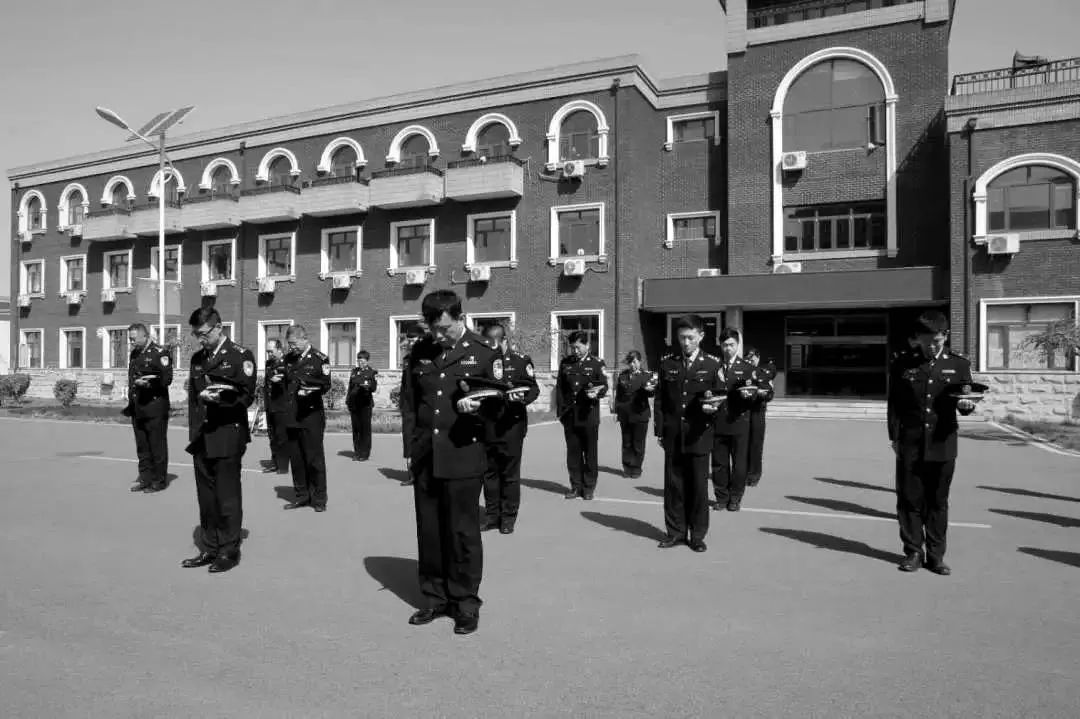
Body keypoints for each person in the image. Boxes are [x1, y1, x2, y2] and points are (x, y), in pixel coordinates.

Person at [401, 289, 502, 635]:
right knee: (429, 531)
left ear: (460, 318)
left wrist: (482, 408)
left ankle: (465, 603)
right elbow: (410, 405)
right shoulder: (420, 351)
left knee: (462, 532)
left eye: (445, 327)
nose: (439, 335)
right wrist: (411, 451)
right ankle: (434, 597)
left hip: (463, 454)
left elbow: (502, 405)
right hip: (427, 455)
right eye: (434, 329)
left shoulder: (484, 352)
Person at [888, 311, 978, 576]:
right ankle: (914, 552)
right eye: (927, 341)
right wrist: (894, 437)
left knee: (938, 501)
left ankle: (936, 556)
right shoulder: (902, 363)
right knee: (909, 500)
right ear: (917, 338)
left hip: (943, 443)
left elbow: (967, 401)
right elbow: (894, 404)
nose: (931, 346)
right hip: (910, 443)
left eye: (937, 341)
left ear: (945, 336)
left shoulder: (959, 365)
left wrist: (967, 406)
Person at [182, 307, 256, 574]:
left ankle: (228, 550)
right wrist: (193, 433)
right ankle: (209, 547)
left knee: (226, 496)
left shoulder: (240, 356)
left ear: (218, 328)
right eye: (195, 334)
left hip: (227, 433)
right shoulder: (197, 359)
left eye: (202, 334)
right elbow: (193, 401)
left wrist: (222, 400)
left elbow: (247, 396)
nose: (199, 339)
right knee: (206, 498)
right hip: (203, 435)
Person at [654, 315, 724, 552]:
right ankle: (675, 532)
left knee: (698, 489)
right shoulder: (668, 363)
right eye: (682, 337)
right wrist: (660, 431)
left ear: (701, 336)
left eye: (690, 337)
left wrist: (712, 409)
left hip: (699, 436)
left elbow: (722, 400)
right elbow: (661, 400)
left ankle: (697, 535)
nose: (685, 342)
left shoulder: (713, 365)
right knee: (674, 488)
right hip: (673, 436)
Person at [480, 322, 539, 535]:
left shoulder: (520, 361)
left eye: (495, 344)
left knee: (510, 474)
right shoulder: (482, 362)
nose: (491, 349)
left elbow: (533, 389)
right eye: (487, 344)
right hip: (488, 424)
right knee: (489, 473)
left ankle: (508, 518)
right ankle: (492, 516)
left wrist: (522, 399)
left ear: (505, 341)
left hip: (511, 426)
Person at [710, 328, 763, 512]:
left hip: (740, 423)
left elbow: (757, 395)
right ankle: (721, 497)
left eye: (731, 344)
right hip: (718, 423)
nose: (728, 348)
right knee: (718, 464)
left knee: (739, 464)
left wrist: (751, 396)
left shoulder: (747, 369)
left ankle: (735, 498)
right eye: (724, 345)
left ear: (737, 345)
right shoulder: (713, 367)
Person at [282, 325, 331, 512]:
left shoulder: (320, 359)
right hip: (293, 415)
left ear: (304, 339)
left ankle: (319, 499)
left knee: (314, 459)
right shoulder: (288, 359)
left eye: (294, 343)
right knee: (297, 459)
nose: (291, 347)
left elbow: (326, 386)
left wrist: (311, 389)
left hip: (311, 416)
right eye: (289, 344)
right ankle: (302, 495)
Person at [555, 331, 608, 500]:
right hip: (570, 415)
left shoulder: (597, 363)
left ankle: (589, 487)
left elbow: (604, 386)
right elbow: (561, 389)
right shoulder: (566, 363)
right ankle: (575, 486)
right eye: (572, 348)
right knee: (573, 453)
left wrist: (597, 394)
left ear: (587, 346)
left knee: (590, 453)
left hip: (588, 415)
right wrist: (561, 413)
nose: (575, 351)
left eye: (578, 347)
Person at [123, 322, 174, 493]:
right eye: (130, 339)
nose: (131, 342)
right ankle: (145, 478)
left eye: (134, 339)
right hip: (138, 407)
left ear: (145, 336)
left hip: (155, 406)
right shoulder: (135, 354)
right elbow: (131, 379)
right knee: (142, 446)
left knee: (156, 445)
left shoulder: (160, 353)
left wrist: (147, 384)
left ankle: (159, 481)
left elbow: (167, 379)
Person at [613, 350, 655, 478]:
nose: (633, 365)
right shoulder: (622, 375)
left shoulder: (647, 375)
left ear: (640, 361)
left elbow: (651, 392)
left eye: (635, 362)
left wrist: (649, 390)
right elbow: (618, 395)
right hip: (625, 414)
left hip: (640, 414)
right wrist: (616, 411)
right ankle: (627, 467)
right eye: (630, 362)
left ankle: (636, 468)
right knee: (626, 442)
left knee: (638, 443)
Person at [743, 347, 776, 488]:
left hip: (757, 412)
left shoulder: (764, 373)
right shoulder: (742, 373)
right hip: (743, 413)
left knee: (756, 445)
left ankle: (754, 475)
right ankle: (742, 473)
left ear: (758, 357)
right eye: (748, 358)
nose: (751, 361)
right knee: (742, 445)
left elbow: (769, 393)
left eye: (753, 358)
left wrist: (764, 394)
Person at [398, 325, 425, 487]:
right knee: (409, 440)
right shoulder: (407, 359)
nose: (410, 343)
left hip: (423, 406)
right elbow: (404, 383)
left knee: (423, 441)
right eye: (408, 340)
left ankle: (425, 475)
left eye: (413, 339)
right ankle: (412, 474)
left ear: (421, 339)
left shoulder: (428, 358)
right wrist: (402, 403)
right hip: (409, 407)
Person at [262, 339, 290, 474]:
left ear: (279, 350)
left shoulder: (287, 363)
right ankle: (275, 462)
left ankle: (283, 465)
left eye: (271, 351)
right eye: (267, 351)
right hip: (270, 405)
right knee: (272, 436)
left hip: (281, 406)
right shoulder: (268, 363)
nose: (269, 354)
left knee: (282, 437)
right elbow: (266, 384)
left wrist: (278, 382)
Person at [346, 349, 378, 461]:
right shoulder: (354, 371)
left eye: (363, 360)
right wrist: (348, 401)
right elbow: (350, 387)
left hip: (365, 405)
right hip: (354, 404)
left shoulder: (371, 372)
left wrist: (368, 386)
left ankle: (365, 453)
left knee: (365, 429)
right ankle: (357, 452)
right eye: (359, 360)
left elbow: (374, 388)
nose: (361, 362)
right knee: (356, 429)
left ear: (367, 361)